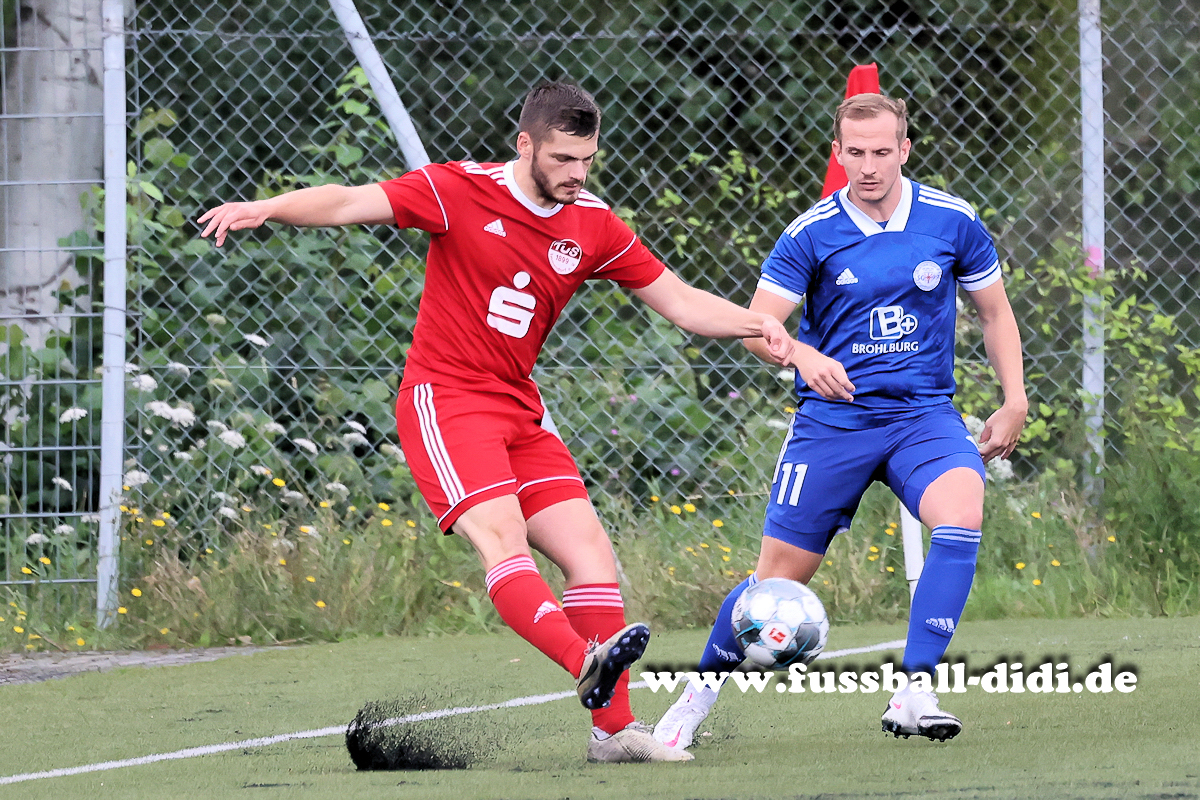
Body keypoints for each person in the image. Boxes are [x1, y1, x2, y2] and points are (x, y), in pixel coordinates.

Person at [198, 80, 795, 763]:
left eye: (587, 160)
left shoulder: (593, 224)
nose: (577, 173)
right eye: (563, 158)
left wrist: (765, 328)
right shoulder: (457, 189)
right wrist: (267, 208)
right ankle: (584, 663)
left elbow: (683, 304)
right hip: (447, 401)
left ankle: (613, 735)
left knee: (591, 556)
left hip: (519, 408)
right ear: (525, 145)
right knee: (504, 539)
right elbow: (347, 201)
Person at [653, 92, 1028, 750]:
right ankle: (694, 699)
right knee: (774, 580)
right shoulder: (811, 233)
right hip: (833, 423)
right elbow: (758, 325)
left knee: (962, 514)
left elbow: (995, 312)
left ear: (904, 149)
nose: (869, 166)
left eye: (882, 151)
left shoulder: (952, 220)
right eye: (855, 152)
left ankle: (915, 689)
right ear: (838, 153)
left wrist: (1015, 398)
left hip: (922, 415)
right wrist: (801, 353)